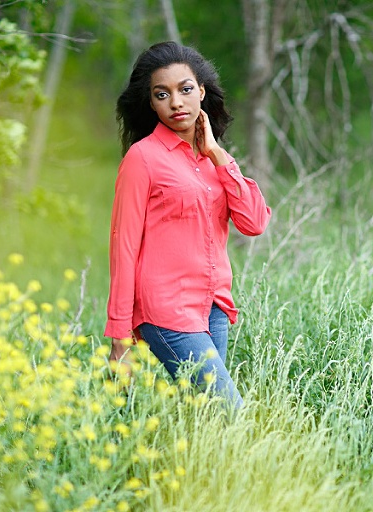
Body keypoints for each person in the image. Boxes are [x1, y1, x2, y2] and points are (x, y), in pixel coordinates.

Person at [104, 41, 272, 408]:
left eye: (185, 89)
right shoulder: (143, 158)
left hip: (213, 305)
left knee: (207, 417)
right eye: (162, 94)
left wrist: (216, 152)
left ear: (202, 92)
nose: (176, 103)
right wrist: (119, 335)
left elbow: (255, 222)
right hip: (165, 308)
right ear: (151, 103)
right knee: (231, 410)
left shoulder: (214, 160)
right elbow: (124, 245)